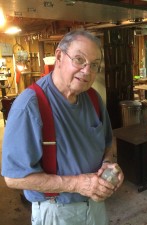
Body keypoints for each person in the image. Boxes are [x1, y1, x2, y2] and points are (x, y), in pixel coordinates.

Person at [1, 30, 124, 225]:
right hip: (56, 211)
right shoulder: (30, 106)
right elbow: (14, 177)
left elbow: (107, 144)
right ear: (59, 56)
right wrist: (77, 184)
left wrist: (108, 165)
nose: (86, 71)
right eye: (79, 59)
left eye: (94, 65)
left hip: (95, 206)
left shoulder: (93, 98)